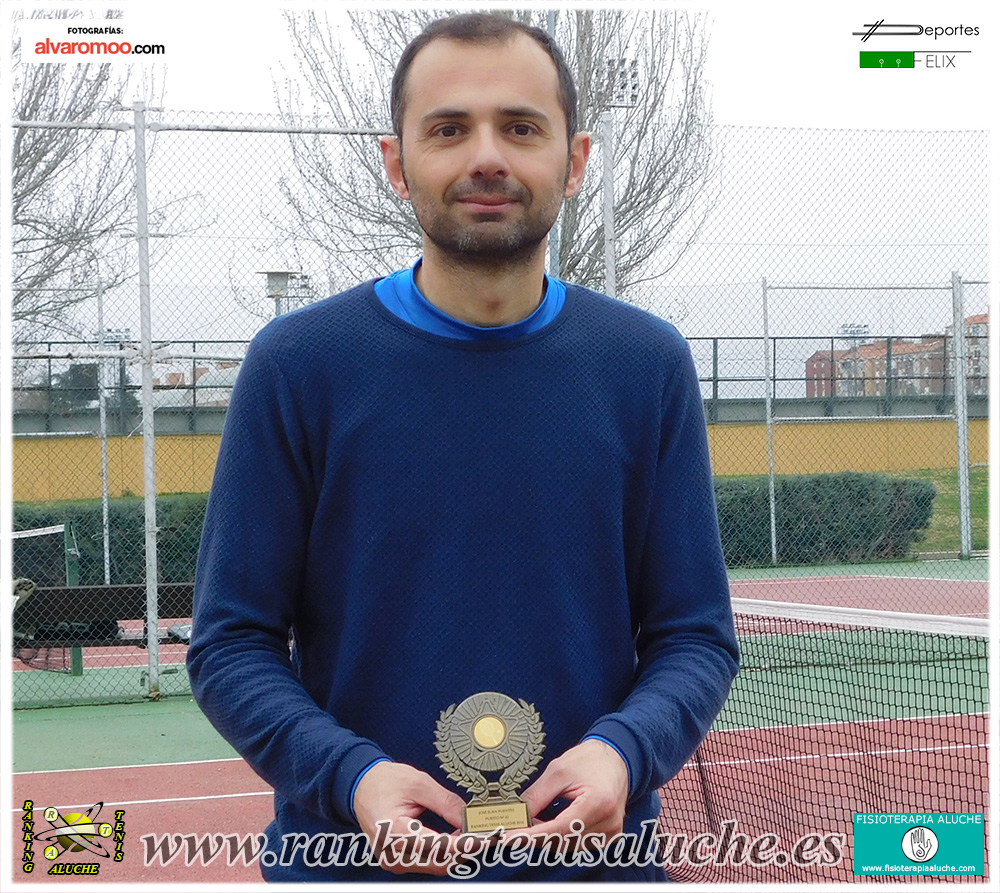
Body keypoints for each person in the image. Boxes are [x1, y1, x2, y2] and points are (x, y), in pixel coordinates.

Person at [188, 12, 739, 882]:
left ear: (576, 160)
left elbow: (695, 635)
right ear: (396, 162)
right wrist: (353, 777)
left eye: (520, 127)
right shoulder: (298, 364)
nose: (486, 157)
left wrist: (623, 753)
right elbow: (230, 643)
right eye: (448, 129)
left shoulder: (646, 364)